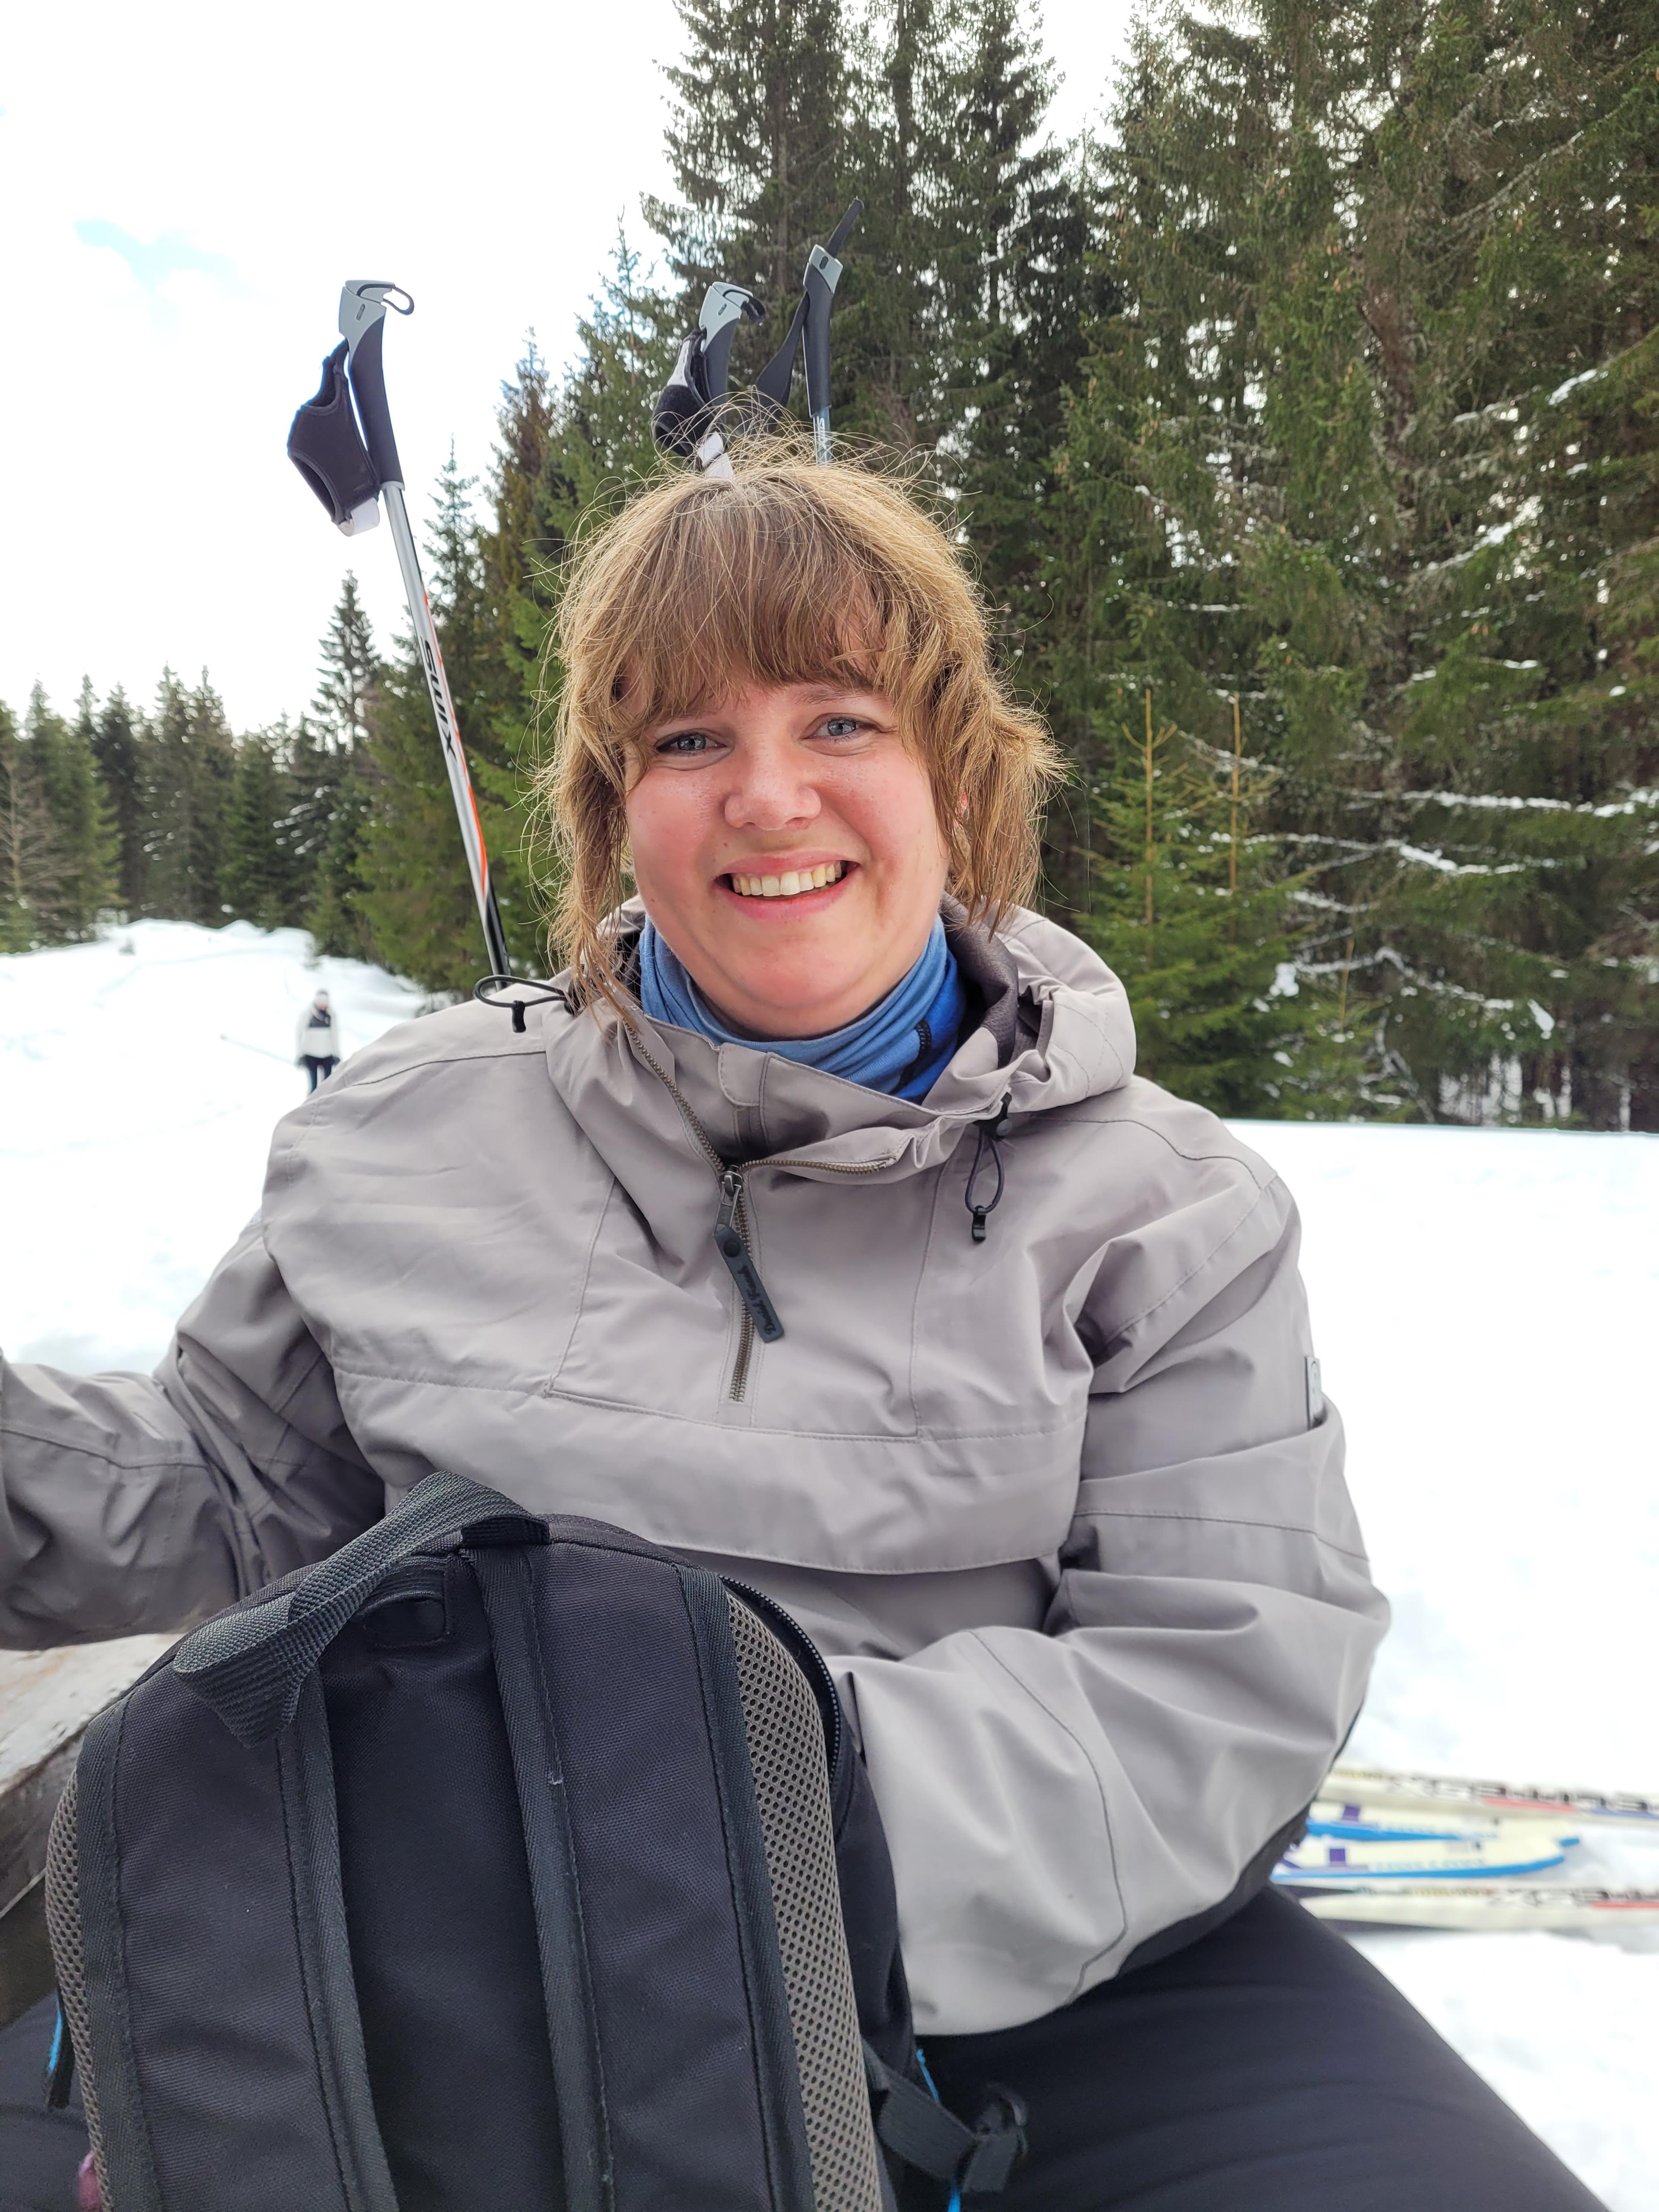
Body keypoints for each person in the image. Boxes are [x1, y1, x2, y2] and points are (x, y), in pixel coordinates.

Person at [0, 452, 1602, 2211]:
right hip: (463, 1923)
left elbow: (1221, 1670)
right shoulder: (405, 1135)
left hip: (1032, 1961)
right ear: (616, 809)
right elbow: (231, 1487)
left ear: (958, 778)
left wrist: (703, 1813)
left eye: (842, 720)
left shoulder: (1159, 1202)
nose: (769, 797)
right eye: (687, 740)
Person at [295, 987, 339, 1090]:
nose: (323, 1005)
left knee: (327, 1087)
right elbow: (299, 1034)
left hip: (327, 1055)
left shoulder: (331, 1016)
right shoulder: (308, 1015)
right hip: (311, 1055)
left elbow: (335, 1036)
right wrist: (300, 1054)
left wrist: (336, 1054)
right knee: (314, 1087)